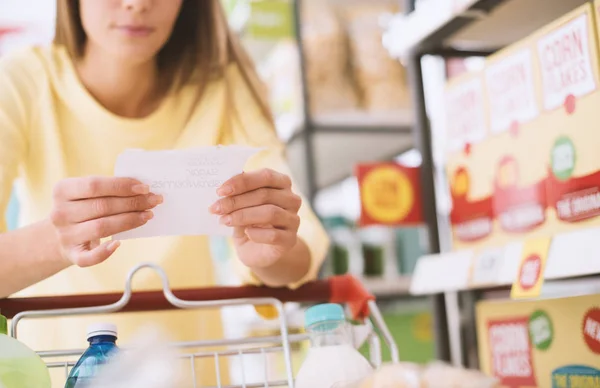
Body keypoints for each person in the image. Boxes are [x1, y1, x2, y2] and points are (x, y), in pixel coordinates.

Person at [0, 0, 329, 385]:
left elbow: (295, 253)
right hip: (60, 370)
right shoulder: (21, 80)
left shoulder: (220, 87)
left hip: (192, 368)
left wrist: (271, 247)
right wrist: (57, 240)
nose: (137, 5)